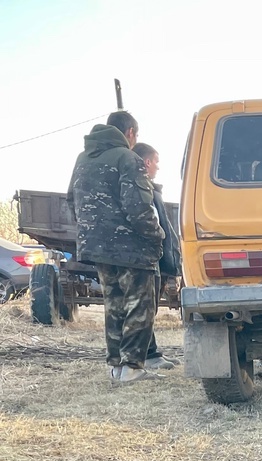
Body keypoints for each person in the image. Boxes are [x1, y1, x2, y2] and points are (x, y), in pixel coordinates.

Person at [67, 110, 165, 385]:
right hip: (131, 248)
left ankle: (116, 367)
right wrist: (157, 235)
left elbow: (72, 200)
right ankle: (132, 367)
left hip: (96, 248)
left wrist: (92, 232)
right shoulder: (128, 158)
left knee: (114, 305)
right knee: (139, 305)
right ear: (131, 133)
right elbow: (138, 207)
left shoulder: (82, 158)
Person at [132, 142, 181, 370]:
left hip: (157, 260)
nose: (158, 168)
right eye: (156, 162)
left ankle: (151, 354)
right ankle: (147, 357)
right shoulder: (141, 189)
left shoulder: (149, 189)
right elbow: (155, 226)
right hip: (149, 260)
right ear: (147, 162)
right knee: (144, 311)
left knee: (148, 311)